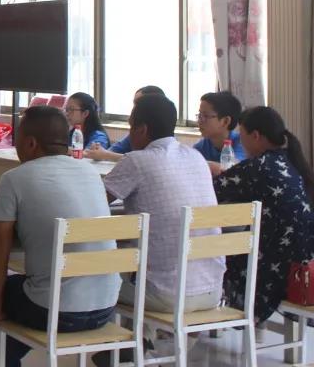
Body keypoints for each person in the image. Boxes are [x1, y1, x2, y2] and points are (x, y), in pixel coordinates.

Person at [0, 106, 119, 367]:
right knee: (23, 295)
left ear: (31, 143)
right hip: (105, 308)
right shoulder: (90, 174)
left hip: (55, 311)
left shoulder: (14, 179)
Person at [103, 94, 224, 313]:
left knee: (95, 280)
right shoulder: (196, 157)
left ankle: (123, 336)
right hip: (212, 291)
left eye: (131, 127)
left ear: (142, 129)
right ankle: (143, 333)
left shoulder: (136, 160)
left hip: (165, 294)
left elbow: (96, 203)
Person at [213, 106, 314, 323]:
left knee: (216, 256)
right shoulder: (293, 162)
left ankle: (214, 318)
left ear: (255, 136)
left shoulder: (259, 166)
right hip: (305, 271)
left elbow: (213, 190)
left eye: (242, 137)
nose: (241, 143)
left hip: (275, 273)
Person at [85, 85, 166, 162]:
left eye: (138, 104)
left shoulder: (165, 139)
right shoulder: (136, 133)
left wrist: (106, 155)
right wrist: (99, 153)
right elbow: (114, 149)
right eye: (134, 104)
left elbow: (146, 160)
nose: (134, 109)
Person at [194, 91, 246, 175]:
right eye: (199, 115)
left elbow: (233, 169)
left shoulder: (243, 143)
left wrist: (199, 164)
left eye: (206, 116)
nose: (199, 121)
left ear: (225, 121)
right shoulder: (201, 146)